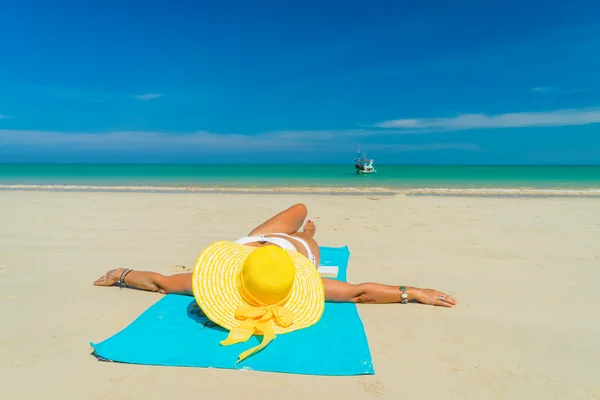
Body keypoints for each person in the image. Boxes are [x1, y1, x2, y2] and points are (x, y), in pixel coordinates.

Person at [94, 203, 457, 361]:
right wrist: (411, 293)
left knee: (301, 212)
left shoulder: (201, 283)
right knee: (302, 217)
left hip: (254, 245)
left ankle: (307, 228)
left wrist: (121, 275)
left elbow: (159, 282)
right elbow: (359, 293)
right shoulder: (310, 276)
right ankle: (308, 230)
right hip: (282, 248)